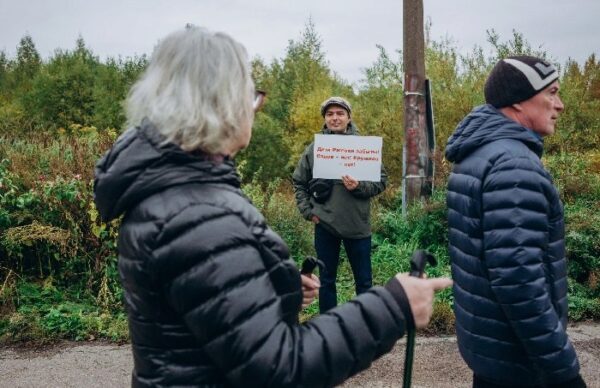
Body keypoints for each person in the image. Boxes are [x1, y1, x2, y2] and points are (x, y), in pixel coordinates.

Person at [93, 27, 452, 387]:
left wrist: (270, 288)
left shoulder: (178, 195)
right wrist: (393, 306)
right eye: (250, 96)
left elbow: (217, 317)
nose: (255, 108)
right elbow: (280, 369)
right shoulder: (200, 218)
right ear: (223, 105)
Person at [446, 55, 586, 388]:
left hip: (492, 349)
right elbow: (519, 280)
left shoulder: (480, 153)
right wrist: (564, 371)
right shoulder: (514, 166)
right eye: (551, 92)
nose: (560, 105)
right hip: (519, 359)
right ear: (519, 101)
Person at [292, 97, 387, 313]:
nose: (335, 118)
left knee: (364, 281)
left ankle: (365, 324)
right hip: (325, 224)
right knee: (326, 280)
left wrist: (359, 186)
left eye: (340, 113)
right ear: (325, 119)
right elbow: (299, 181)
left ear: (349, 117)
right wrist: (308, 212)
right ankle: (329, 326)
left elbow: (381, 182)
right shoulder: (315, 149)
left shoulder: (364, 148)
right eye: (330, 114)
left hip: (357, 225)